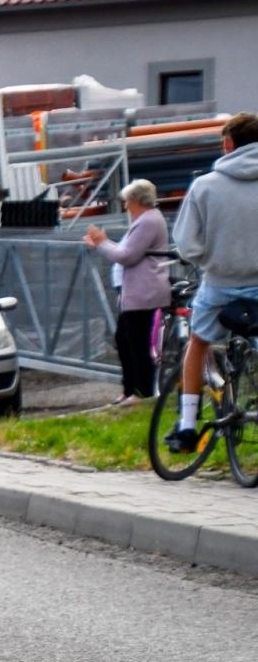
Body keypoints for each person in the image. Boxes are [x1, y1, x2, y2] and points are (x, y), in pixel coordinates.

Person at [166, 113, 258, 451]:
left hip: (219, 282)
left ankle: (188, 425)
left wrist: (208, 261)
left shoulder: (205, 186)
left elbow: (188, 244)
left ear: (228, 144)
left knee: (198, 342)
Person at [84, 180, 171, 405]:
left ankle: (141, 391)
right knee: (124, 340)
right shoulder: (146, 220)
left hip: (144, 294)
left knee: (137, 343)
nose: (126, 207)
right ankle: (130, 389)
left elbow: (127, 256)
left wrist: (102, 243)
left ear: (137, 201)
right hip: (137, 294)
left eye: (128, 202)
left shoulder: (148, 221)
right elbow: (126, 251)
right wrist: (103, 243)